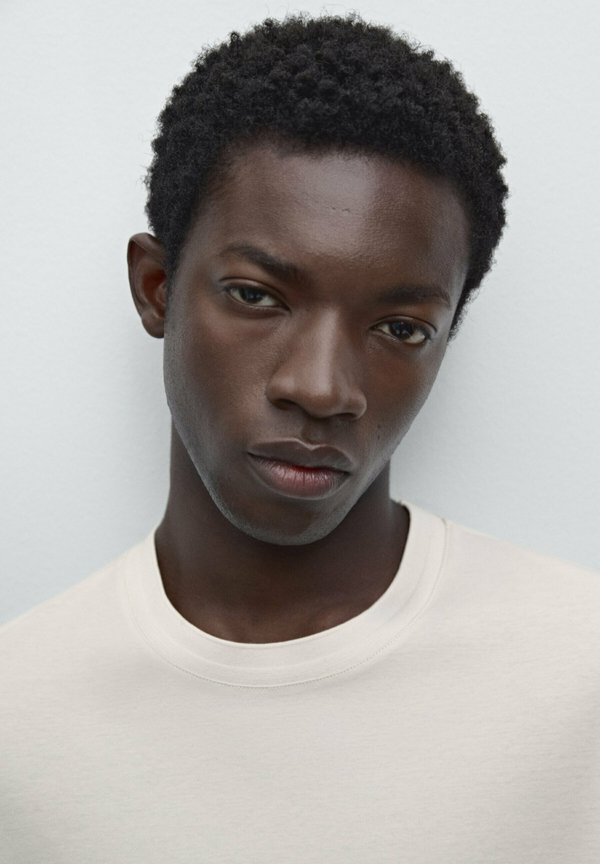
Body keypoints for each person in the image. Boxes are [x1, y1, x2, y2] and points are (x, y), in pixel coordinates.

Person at [2, 14, 599, 863]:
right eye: (257, 296)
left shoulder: (580, 671)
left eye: (400, 328)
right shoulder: (19, 716)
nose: (321, 388)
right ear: (157, 287)